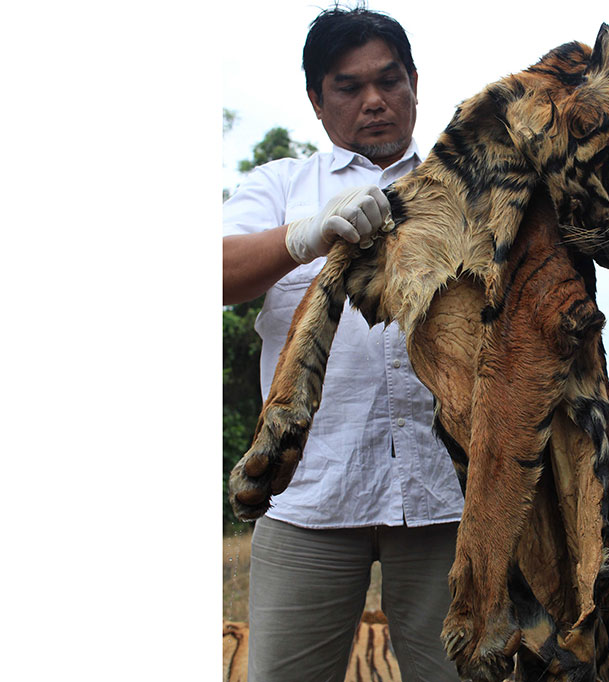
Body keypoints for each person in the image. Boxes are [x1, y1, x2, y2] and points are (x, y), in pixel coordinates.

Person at [222, 8, 463, 682]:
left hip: (452, 493)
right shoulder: (279, 187)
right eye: (349, 87)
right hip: (311, 493)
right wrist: (305, 235)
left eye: (389, 80)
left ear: (416, 83)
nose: (375, 101)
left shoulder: (468, 189)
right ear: (316, 101)